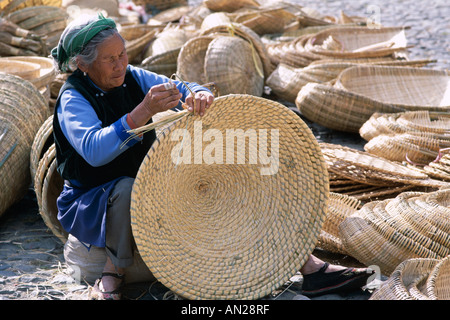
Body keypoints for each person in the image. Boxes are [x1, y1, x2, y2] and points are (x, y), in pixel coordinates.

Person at [51, 14, 373, 300]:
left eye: (122, 54)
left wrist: (197, 94)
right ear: (82, 64)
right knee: (125, 189)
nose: (120, 64)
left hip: (148, 182)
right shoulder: (73, 98)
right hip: (95, 196)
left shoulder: (132, 76)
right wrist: (144, 111)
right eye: (110, 60)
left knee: (233, 172)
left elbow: (181, 87)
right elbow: (94, 151)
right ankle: (114, 271)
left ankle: (309, 266)